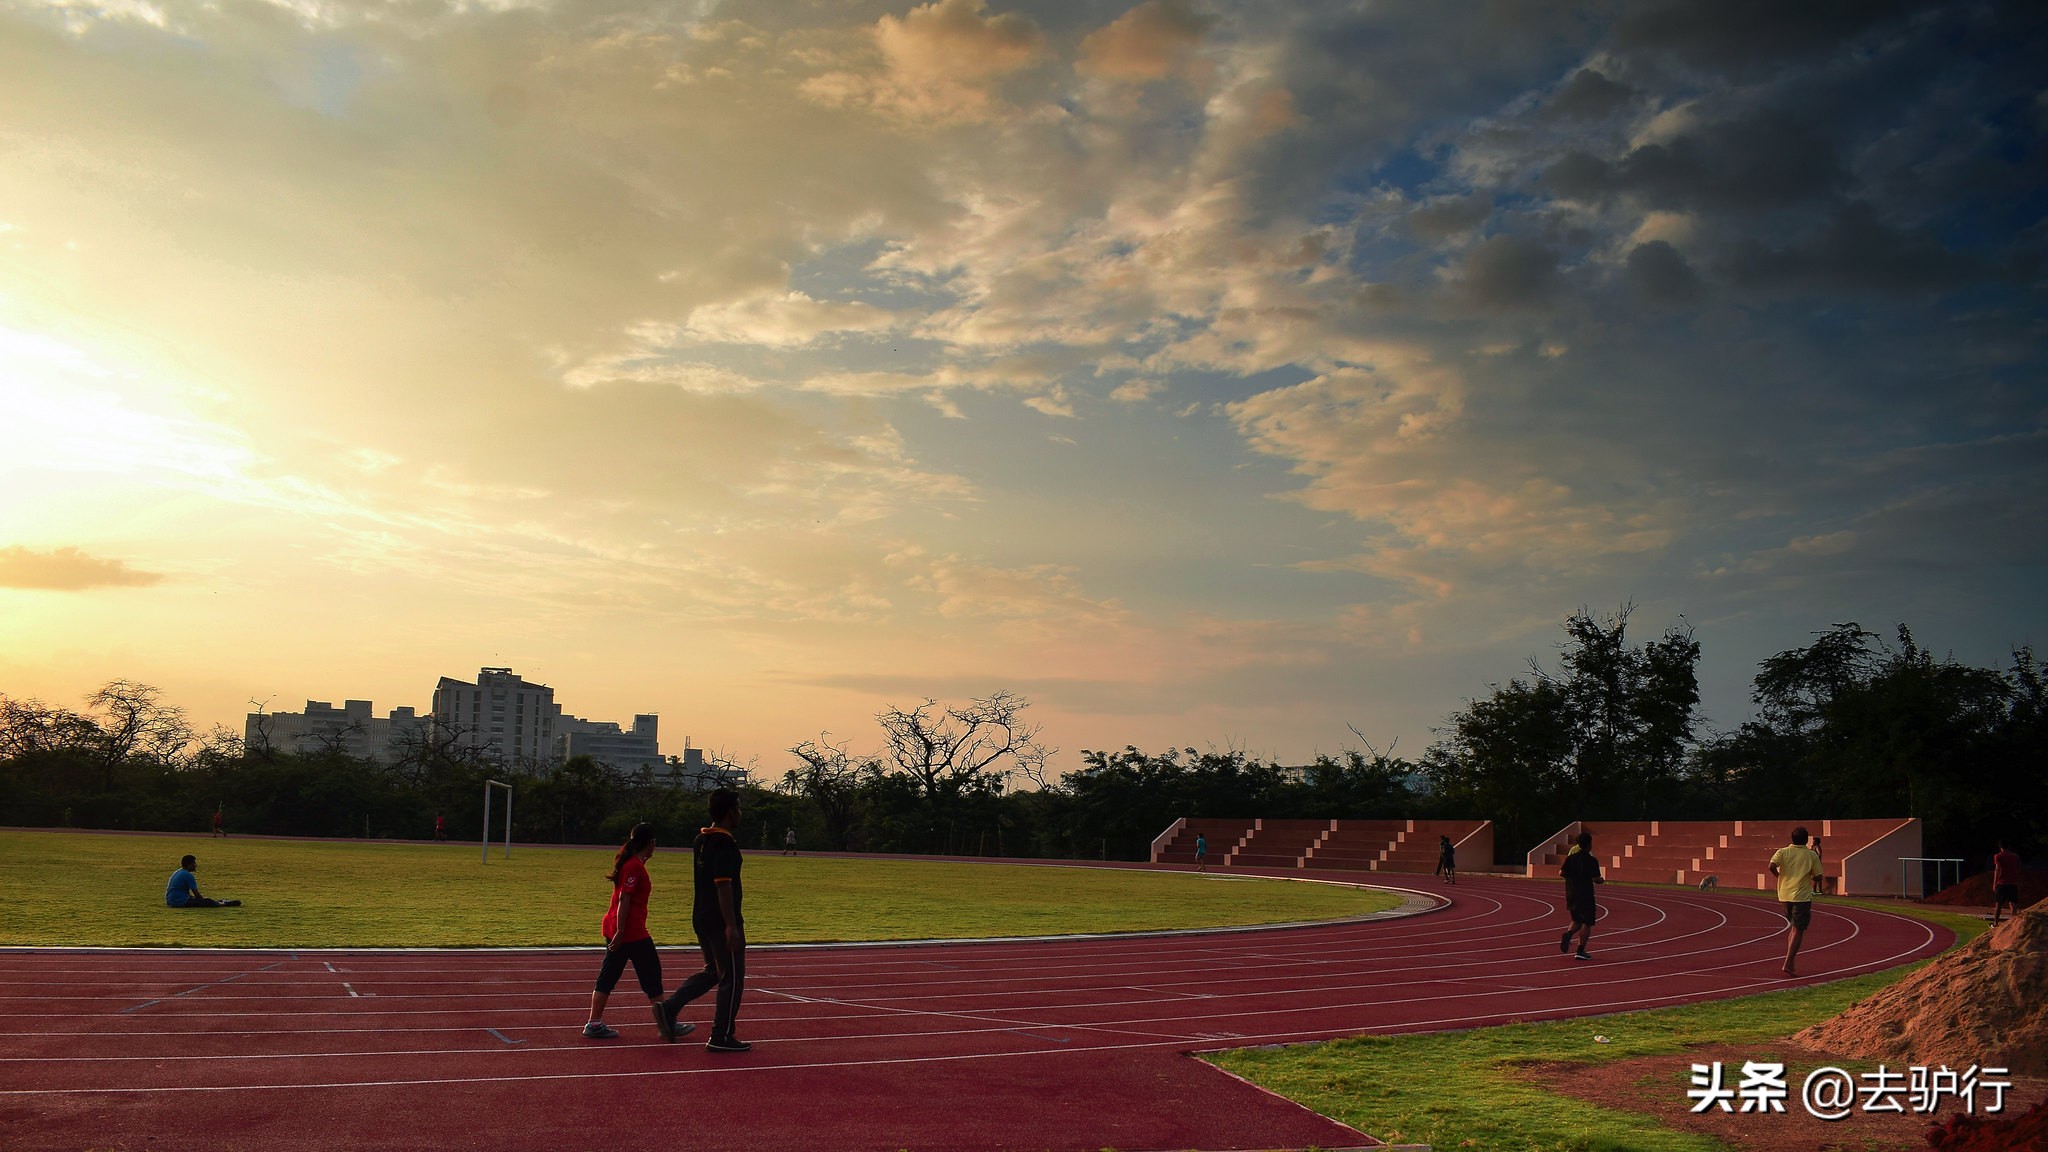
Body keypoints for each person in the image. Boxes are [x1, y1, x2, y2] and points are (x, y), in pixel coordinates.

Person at [657, 789, 750, 1053]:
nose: (740, 813)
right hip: (721, 920)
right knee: (731, 978)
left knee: (713, 971)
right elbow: (723, 886)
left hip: (701, 915)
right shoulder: (725, 844)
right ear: (730, 811)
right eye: (739, 808)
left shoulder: (701, 839)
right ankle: (721, 1035)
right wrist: (731, 925)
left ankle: (669, 1007)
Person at [583, 823, 691, 1041]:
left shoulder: (633, 863)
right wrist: (621, 931)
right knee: (651, 974)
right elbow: (625, 898)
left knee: (611, 975)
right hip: (630, 932)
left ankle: (594, 1023)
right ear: (650, 843)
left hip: (619, 928)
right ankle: (667, 1023)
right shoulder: (634, 867)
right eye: (654, 842)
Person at [1768, 826, 1824, 977]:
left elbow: (1771, 866)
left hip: (1784, 895)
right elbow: (1819, 876)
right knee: (1798, 929)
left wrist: (1779, 876)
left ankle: (1790, 961)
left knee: (1793, 928)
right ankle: (1788, 961)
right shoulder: (1811, 855)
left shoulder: (1783, 852)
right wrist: (1812, 877)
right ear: (1806, 840)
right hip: (1801, 896)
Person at [1558, 831, 1602, 960]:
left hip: (1571, 892)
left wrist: (1572, 878)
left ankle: (1568, 934)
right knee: (1587, 922)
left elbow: (1561, 872)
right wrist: (1601, 880)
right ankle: (1580, 950)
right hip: (1585, 894)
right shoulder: (1591, 860)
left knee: (1576, 919)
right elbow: (1596, 878)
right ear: (1589, 844)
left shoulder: (1571, 858)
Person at [165, 855, 240, 907]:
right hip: (179, 902)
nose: (196, 865)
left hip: (171, 901)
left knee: (202, 900)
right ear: (190, 864)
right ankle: (224, 904)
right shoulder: (188, 875)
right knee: (208, 901)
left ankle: (219, 902)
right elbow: (196, 893)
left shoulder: (178, 871)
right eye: (194, 863)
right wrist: (204, 901)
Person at [1992, 840, 2024, 924]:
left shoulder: (1998, 856)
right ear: (2009, 846)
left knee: (1998, 904)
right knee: (2013, 904)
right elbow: (2018, 869)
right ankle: (2014, 923)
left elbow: (1997, 869)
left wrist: (1994, 883)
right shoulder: (2015, 856)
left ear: (2000, 847)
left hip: (2001, 883)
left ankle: (1996, 923)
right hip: (2012, 883)